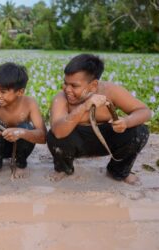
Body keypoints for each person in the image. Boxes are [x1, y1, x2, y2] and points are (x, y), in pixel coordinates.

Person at [47, 54, 151, 184]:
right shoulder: (61, 98)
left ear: (93, 85)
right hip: (76, 143)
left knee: (140, 131)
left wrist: (126, 122)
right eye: (65, 83)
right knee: (53, 136)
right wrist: (84, 106)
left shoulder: (111, 91)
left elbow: (144, 111)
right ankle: (64, 168)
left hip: (106, 140)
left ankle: (119, 170)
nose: (67, 89)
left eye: (74, 86)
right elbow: (58, 131)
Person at [0, 62, 47, 179]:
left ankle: (21, 163)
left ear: (20, 92)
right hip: (0, 148)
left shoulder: (30, 104)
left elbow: (43, 137)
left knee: (26, 128)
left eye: (3, 92)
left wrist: (21, 132)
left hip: (22, 147)